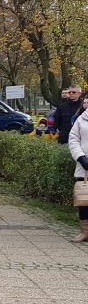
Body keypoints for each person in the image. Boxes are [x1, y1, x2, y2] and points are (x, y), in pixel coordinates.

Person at [68, 103, 88, 242]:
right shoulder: (82, 119)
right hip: (84, 166)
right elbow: (73, 139)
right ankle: (85, 232)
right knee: (84, 200)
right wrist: (81, 158)